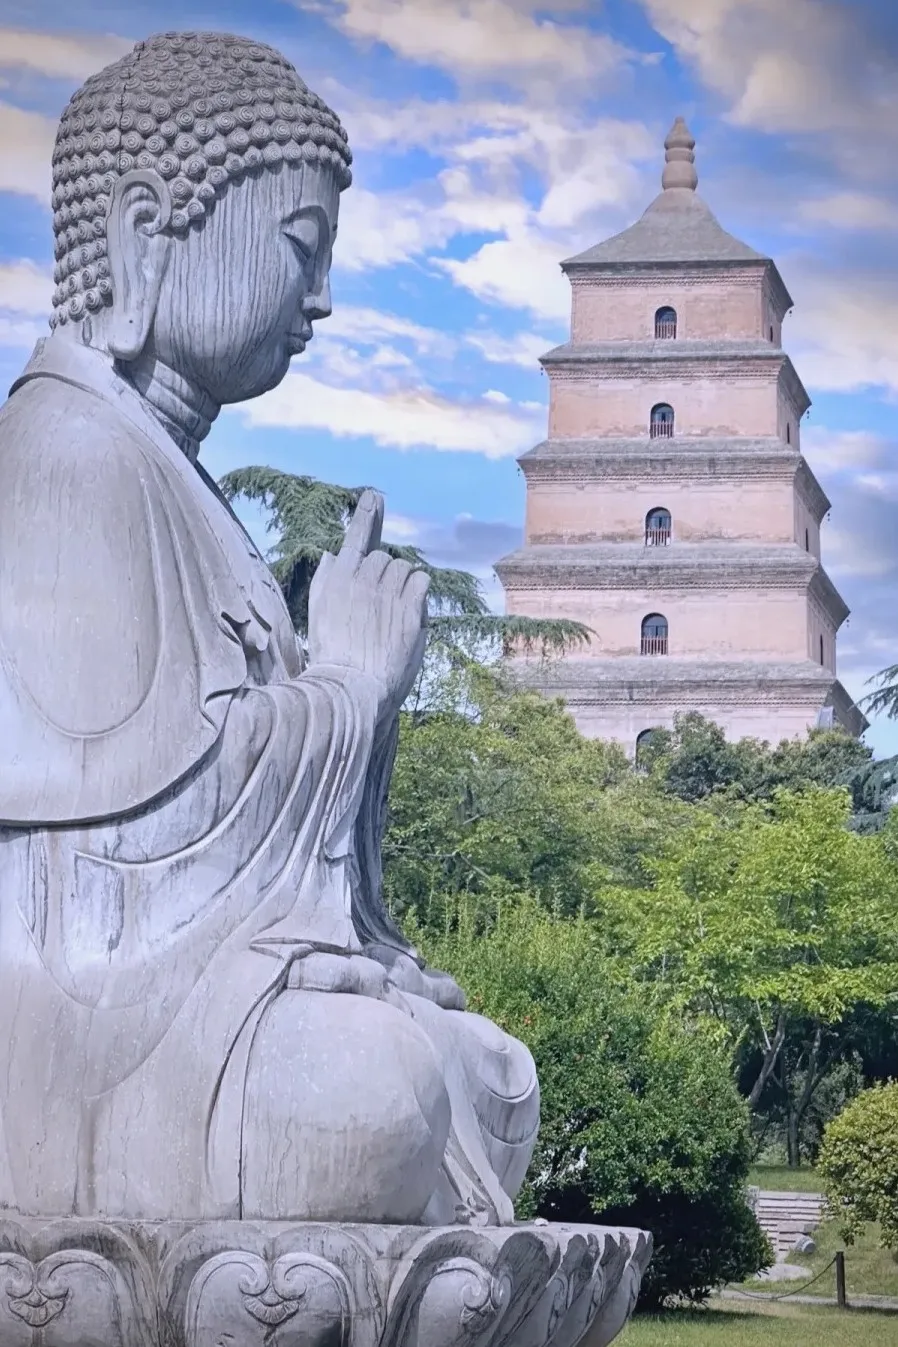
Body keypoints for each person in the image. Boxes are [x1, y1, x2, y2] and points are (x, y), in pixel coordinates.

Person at [0, 31, 537, 1226]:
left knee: (489, 1071)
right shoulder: (65, 455)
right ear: (147, 234)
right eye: (302, 248)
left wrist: (361, 702)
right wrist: (348, 679)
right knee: (362, 1093)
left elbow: (233, 807)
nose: (326, 297)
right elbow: (137, 812)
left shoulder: (179, 481)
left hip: (191, 989)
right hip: (82, 1008)